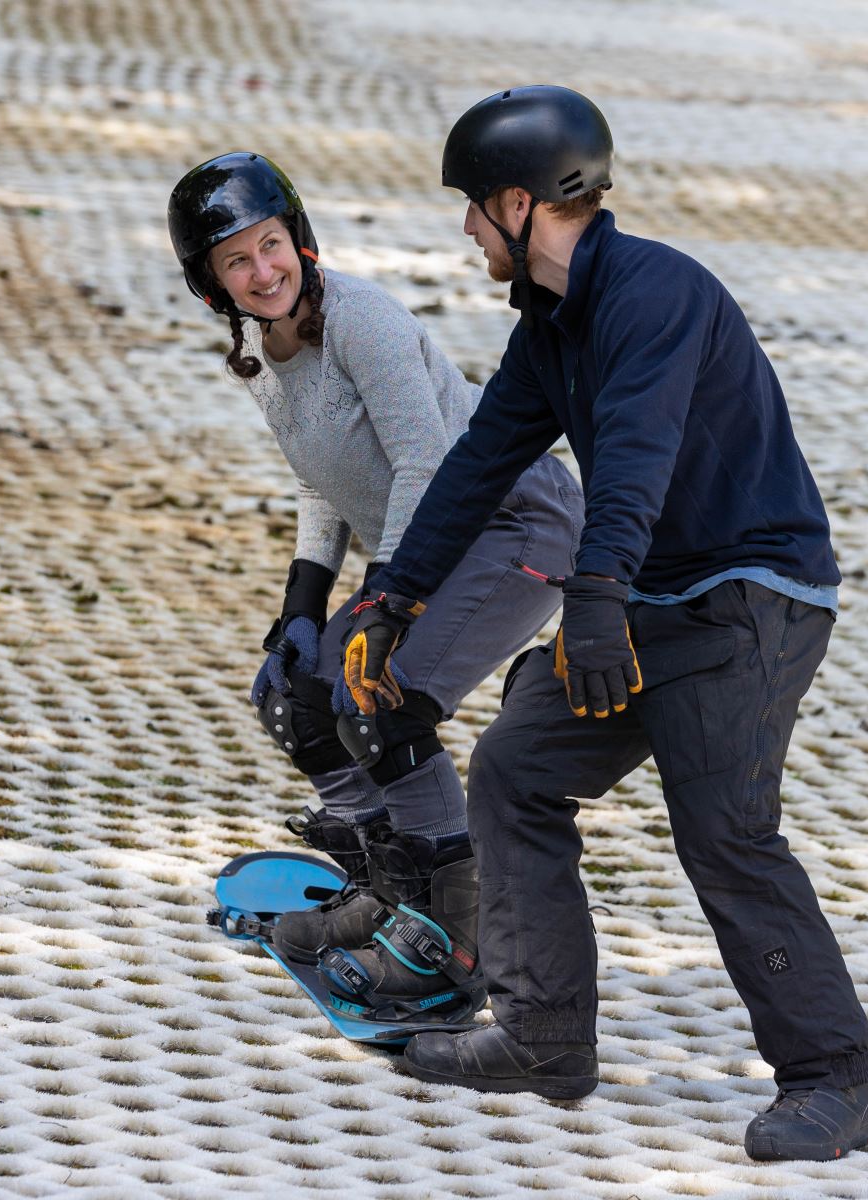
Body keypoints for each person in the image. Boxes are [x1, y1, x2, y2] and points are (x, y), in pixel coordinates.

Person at [341, 87, 868, 1161]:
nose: (464, 232)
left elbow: (635, 457)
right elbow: (478, 464)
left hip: (750, 594)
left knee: (724, 829)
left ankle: (833, 1080)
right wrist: (392, 595)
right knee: (517, 771)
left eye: (469, 210)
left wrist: (593, 604)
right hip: (648, 594)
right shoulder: (554, 327)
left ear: (517, 203)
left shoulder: (657, 295)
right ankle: (542, 1038)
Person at [167, 152, 583, 1020]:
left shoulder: (362, 321)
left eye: (271, 245)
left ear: (300, 240)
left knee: (379, 699)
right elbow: (322, 478)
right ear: (212, 284)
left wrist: (388, 603)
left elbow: (426, 465)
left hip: (517, 525)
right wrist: (301, 609)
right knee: (300, 696)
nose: (262, 270)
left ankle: (447, 939)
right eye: (235, 261)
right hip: (438, 540)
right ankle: (382, 881)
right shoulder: (262, 352)